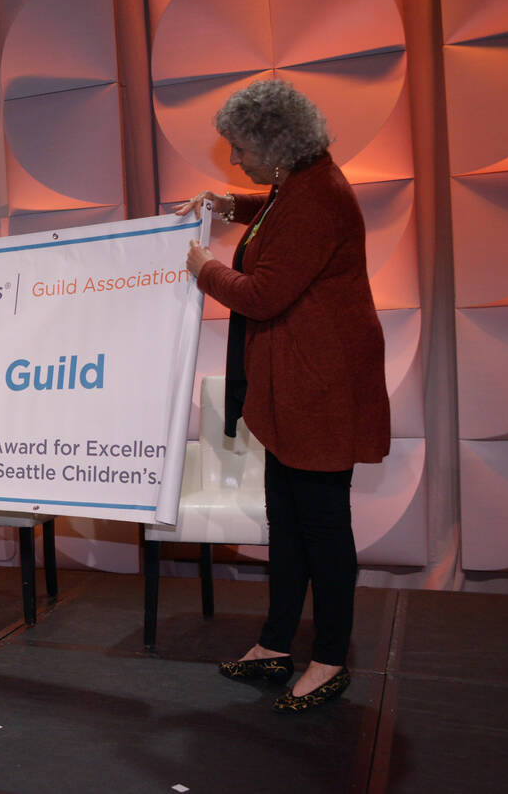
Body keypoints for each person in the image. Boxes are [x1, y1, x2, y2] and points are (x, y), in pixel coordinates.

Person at [177, 79, 390, 714]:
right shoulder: (299, 182)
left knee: (322, 530)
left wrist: (204, 269)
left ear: (275, 148)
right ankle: (275, 644)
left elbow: (263, 294)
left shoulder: (316, 197)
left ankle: (329, 659)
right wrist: (231, 204)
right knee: (289, 525)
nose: (235, 159)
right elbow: (274, 214)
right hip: (295, 385)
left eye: (241, 150)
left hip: (321, 388)